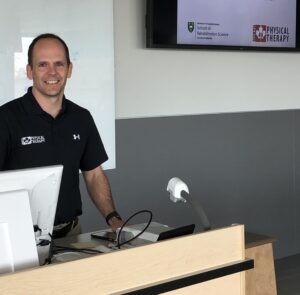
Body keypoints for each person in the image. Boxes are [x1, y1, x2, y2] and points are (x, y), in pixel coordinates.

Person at [0, 33, 123, 238]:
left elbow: (93, 174)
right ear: (30, 71)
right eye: (42, 65)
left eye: (59, 64)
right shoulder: (5, 119)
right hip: (18, 237)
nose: (52, 72)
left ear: (69, 69)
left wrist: (113, 217)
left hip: (71, 234)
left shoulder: (81, 118)